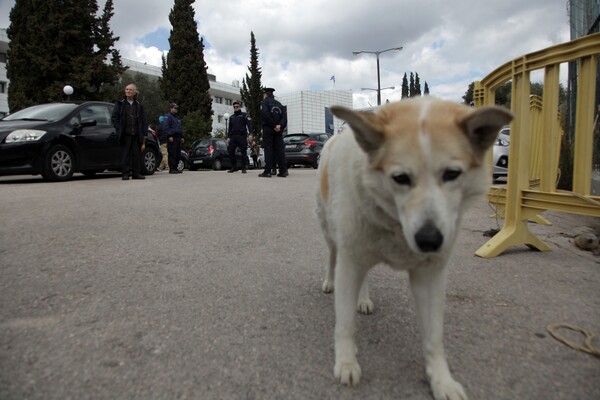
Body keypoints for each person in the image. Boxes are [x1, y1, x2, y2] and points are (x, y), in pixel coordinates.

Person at [111, 83, 148, 180]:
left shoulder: (139, 105)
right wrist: (119, 128)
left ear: (135, 92)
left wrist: (144, 133)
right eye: (127, 89)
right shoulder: (120, 104)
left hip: (136, 134)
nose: (128, 91)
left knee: (136, 154)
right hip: (125, 134)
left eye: (130, 89)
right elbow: (114, 118)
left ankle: (136, 173)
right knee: (125, 154)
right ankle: (125, 174)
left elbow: (143, 120)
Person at [259, 87, 288, 178]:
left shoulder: (265, 103)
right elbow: (284, 118)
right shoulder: (279, 104)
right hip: (278, 130)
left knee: (268, 149)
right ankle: (283, 171)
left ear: (266, 94)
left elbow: (266, 115)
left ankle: (268, 171)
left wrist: (273, 125)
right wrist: (279, 125)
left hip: (269, 128)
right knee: (280, 150)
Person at [227, 101, 253, 173]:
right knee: (230, 150)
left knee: (243, 152)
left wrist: (251, 134)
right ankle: (234, 166)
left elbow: (249, 125)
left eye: (237, 107)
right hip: (233, 136)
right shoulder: (231, 117)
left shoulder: (245, 115)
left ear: (240, 107)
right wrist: (229, 137)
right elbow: (230, 128)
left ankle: (243, 167)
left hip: (242, 136)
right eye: (234, 107)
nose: (236, 108)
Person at [163, 103, 184, 174]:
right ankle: (171, 168)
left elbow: (180, 128)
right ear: (171, 108)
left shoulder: (177, 117)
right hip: (172, 137)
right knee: (172, 153)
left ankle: (175, 167)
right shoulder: (167, 117)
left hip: (178, 137)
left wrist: (182, 137)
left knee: (178, 154)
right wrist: (169, 136)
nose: (176, 109)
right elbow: (166, 127)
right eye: (175, 108)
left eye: (177, 108)